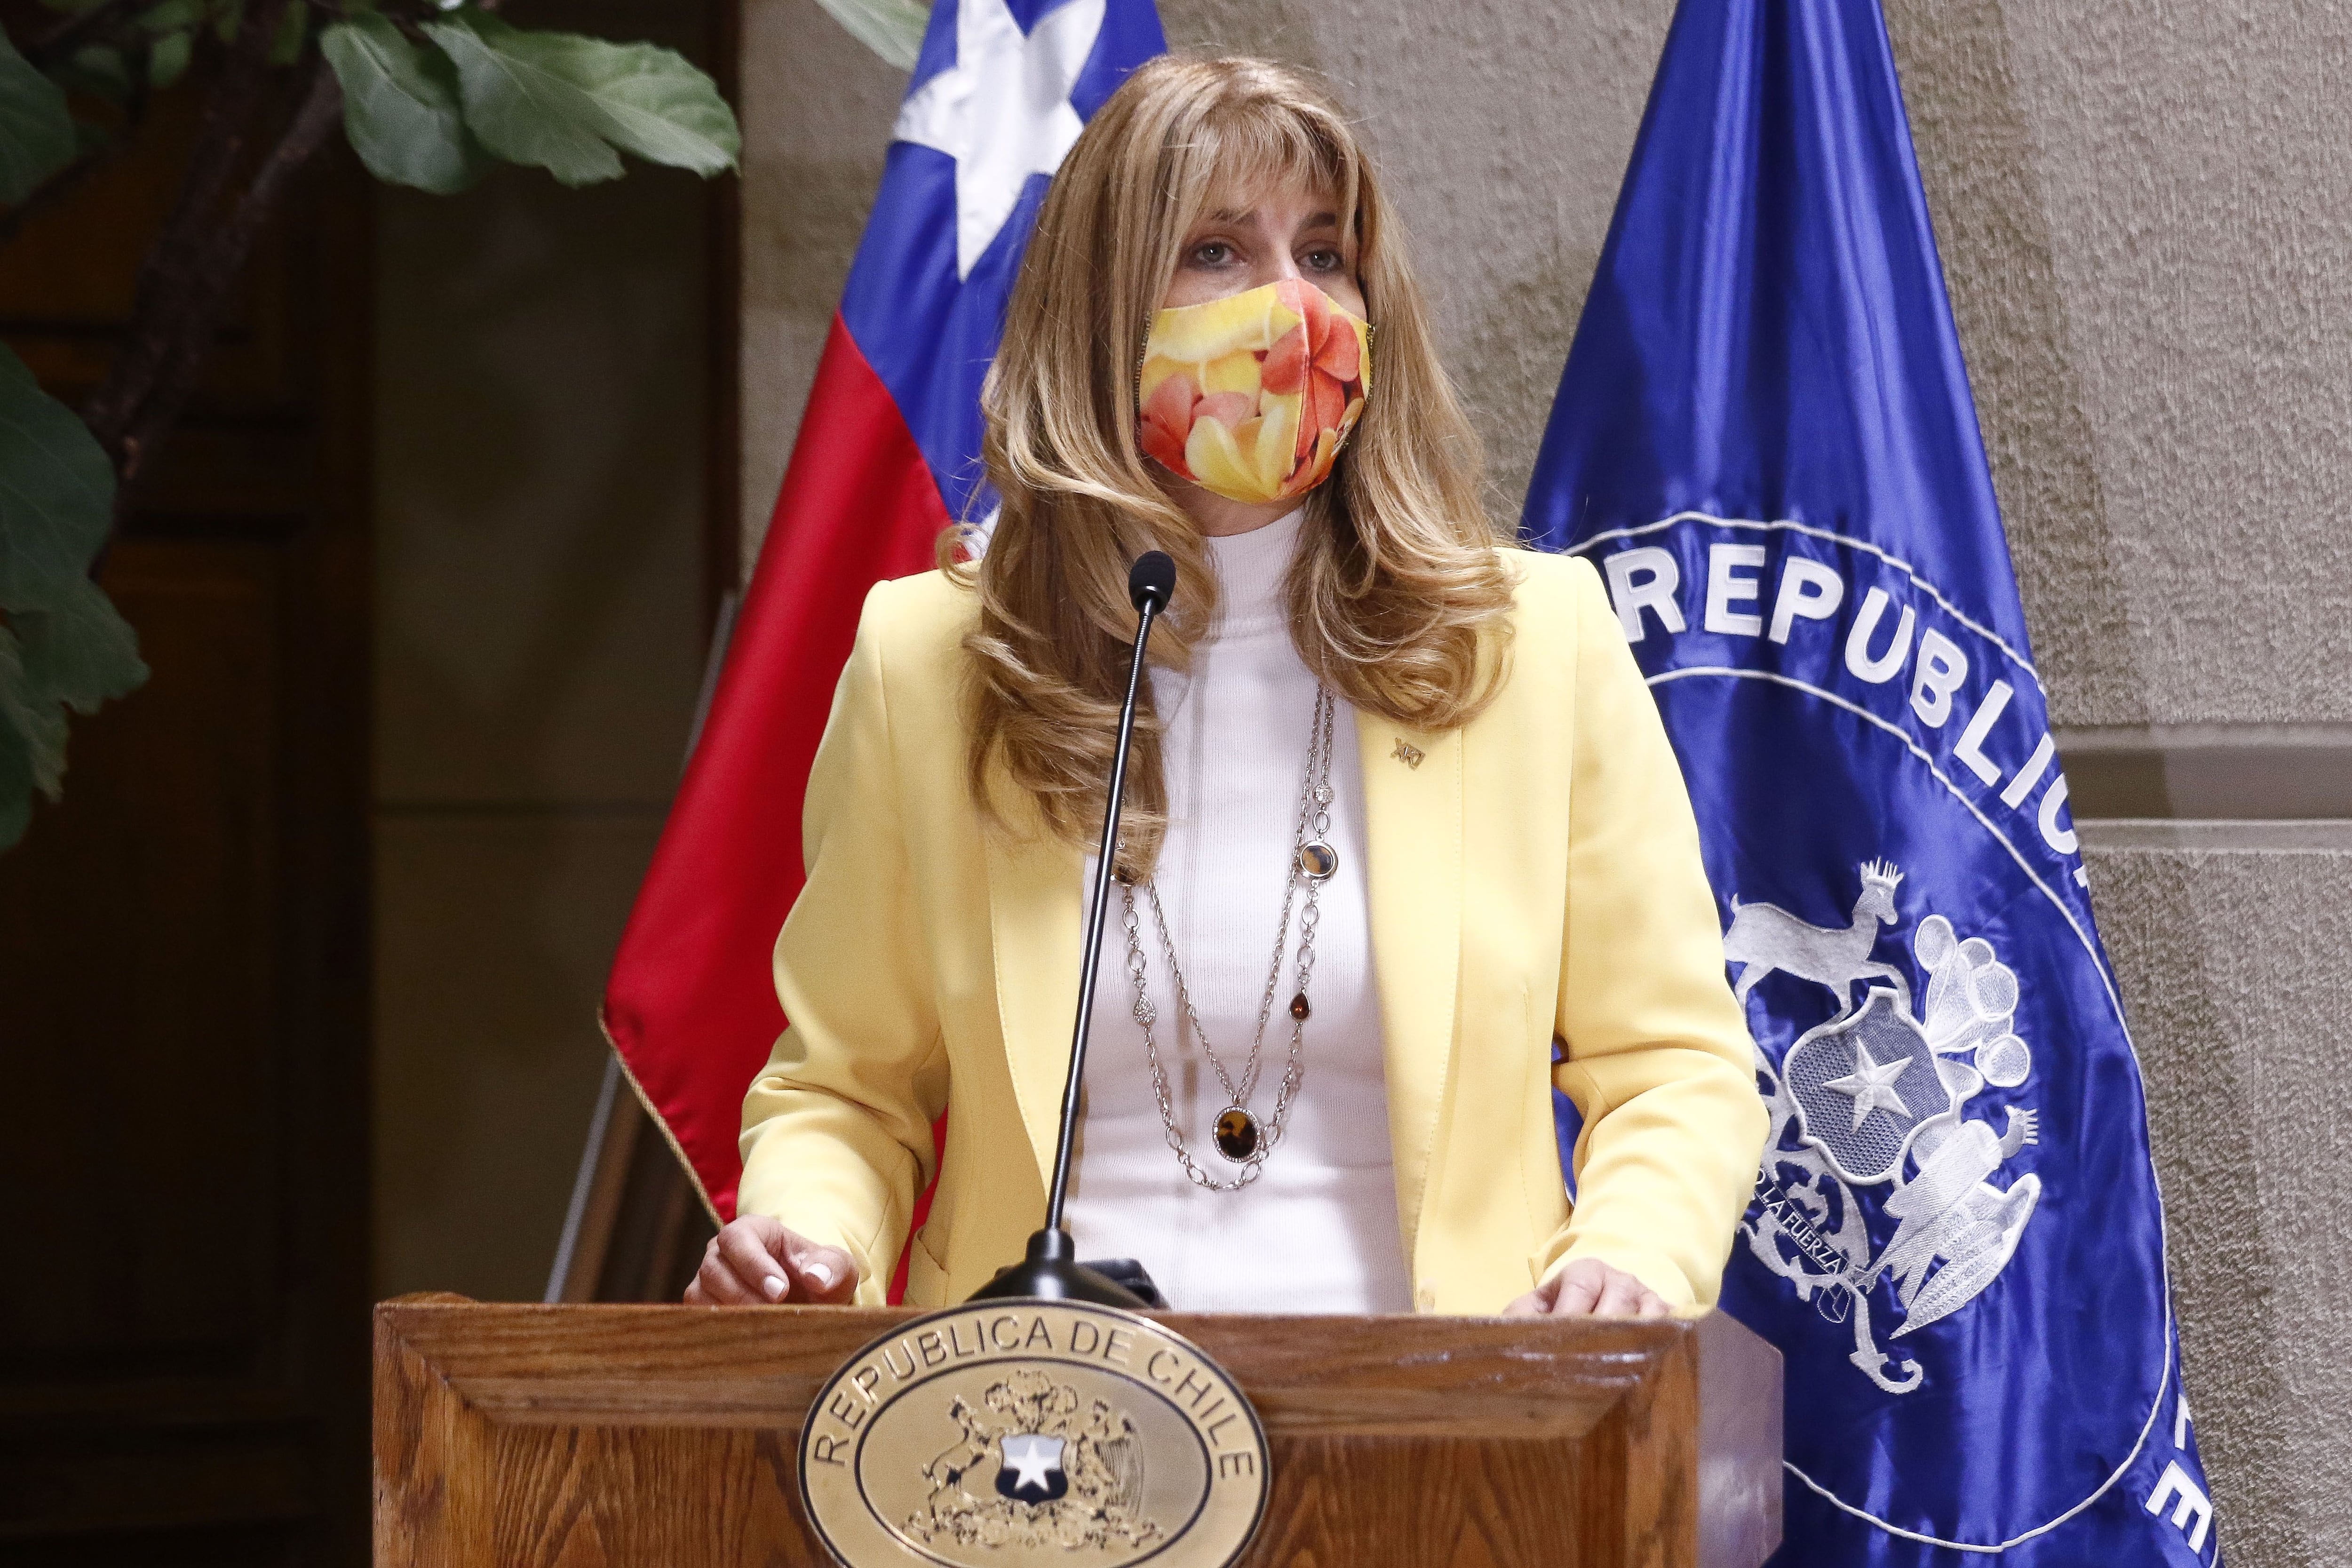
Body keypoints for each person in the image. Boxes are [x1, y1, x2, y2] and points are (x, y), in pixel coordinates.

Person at [686, 55, 1766, 1318]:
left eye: (1323, 254)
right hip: (1035, 1434)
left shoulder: (1529, 644)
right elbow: (847, 1092)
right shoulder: (933, 662)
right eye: (1217, 252)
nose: (1289, 306)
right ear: (1103, 309)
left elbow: (1675, 1064)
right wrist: (805, 1236)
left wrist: (1626, 1263)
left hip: (1451, 1441)